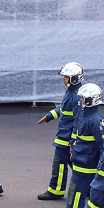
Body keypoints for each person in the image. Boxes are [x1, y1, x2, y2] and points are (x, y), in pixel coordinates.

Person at [52, 83, 103, 208]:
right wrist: (73, 147)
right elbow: (79, 135)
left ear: (90, 101)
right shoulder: (85, 115)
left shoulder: (95, 120)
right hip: (81, 162)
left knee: (76, 194)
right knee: (76, 193)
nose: (80, 101)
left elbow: (102, 145)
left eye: (83, 99)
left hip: (86, 165)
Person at [37, 62, 83, 200]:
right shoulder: (71, 92)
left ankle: (56, 190)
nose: (64, 79)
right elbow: (63, 109)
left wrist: (72, 142)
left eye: (66, 77)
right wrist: (49, 116)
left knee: (60, 163)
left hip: (66, 137)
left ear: (74, 78)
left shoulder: (75, 96)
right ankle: (89, 188)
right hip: (65, 135)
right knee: (77, 165)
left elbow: (78, 120)